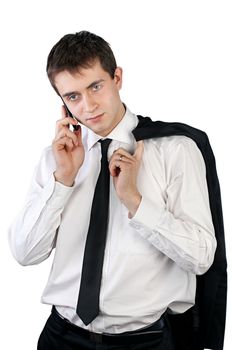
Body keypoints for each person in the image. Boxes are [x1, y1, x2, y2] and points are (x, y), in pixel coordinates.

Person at [8, 31, 219, 350]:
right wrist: (62, 181)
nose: (88, 106)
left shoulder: (174, 150)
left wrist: (135, 201)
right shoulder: (57, 159)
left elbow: (201, 258)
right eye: (73, 96)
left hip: (144, 342)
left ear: (116, 77)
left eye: (95, 86)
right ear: (62, 103)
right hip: (61, 336)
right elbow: (25, 253)